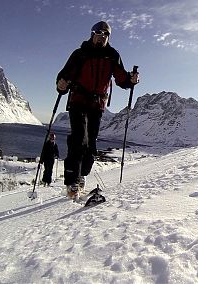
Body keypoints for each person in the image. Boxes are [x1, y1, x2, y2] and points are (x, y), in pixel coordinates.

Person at [56, 21, 139, 199]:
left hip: (97, 105)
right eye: (99, 33)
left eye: (106, 34)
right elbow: (64, 76)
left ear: (108, 37)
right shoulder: (80, 54)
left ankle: (82, 175)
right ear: (92, 33)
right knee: (79, 139)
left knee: (90, 144)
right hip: (78, 101)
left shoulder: (112, 55)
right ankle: (72, 181)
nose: (102, 36)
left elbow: (121, 79)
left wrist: (131, 80)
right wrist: (61, 84)